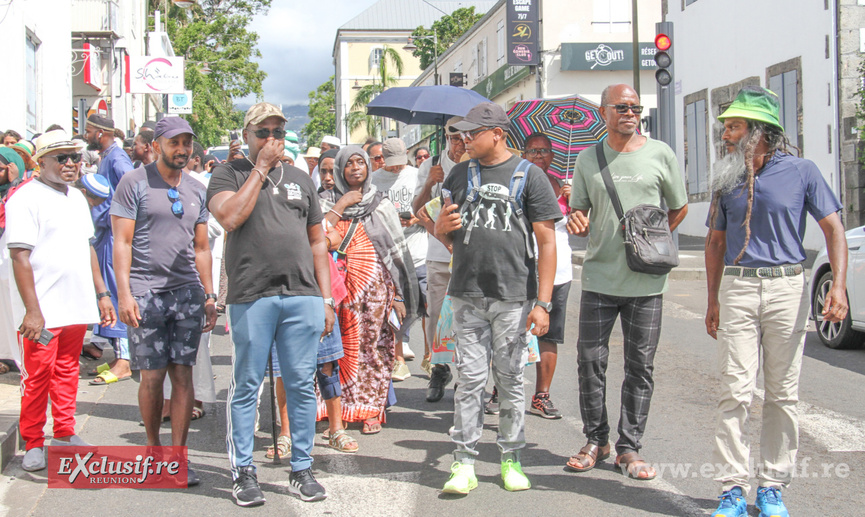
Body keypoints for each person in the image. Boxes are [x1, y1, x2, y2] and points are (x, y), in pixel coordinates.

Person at [704, 87, 848, 517]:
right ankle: (731, 487)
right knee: (735, 390)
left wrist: (837, 287)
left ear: (759, 132)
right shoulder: (725, 176)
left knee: (783, 394)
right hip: (739, 288)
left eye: (734, 127)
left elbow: (834, 230)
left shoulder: (802, 171)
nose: (725, 134)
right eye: (726, 126)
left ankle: (772, 487)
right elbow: (714, 242)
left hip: (787, 287)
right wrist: (712, 299)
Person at [207, 102, 334, 506]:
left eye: (278, 132)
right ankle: (243, 472)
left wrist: (326, 297)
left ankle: (302, 466)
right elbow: (229, 217)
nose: (272, 139)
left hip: (302, 295)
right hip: (253, 295)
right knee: (246, 384)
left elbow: (317, 240)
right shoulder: (227, 173)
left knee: (299, 383)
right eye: (263, 132)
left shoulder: (301, 178)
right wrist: (260, 167)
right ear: (246, 135)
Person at [434, 102, 561, 494]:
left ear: (498, 134)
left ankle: (510, 459)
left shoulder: (531, 176)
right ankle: (464, 463)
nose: (465, 140)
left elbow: (546, 242)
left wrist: (542, 304)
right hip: (467, 294)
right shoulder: (458, 174)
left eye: (473, 133)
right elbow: (448, 233)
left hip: (514, 297)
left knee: (509, 381)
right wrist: (439, 230)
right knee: (469, 381)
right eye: (462, 134)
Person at [564, 84, 688, 480]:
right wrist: (575, 219)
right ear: (604, 112)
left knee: (640, 367)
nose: (630, 113)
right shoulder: (588, 159)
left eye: (635, 107)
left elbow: (679, 206)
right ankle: (596, 439)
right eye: (621, 107)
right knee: (589, 362)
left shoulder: (660, 153)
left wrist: (649, 243)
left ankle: (629, 447)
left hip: (646, 284)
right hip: (600, 277)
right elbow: (579, 212)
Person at [111, 117, 217, 487]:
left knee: (183, 375)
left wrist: (210, 294)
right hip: (146, 292)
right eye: (174, 142)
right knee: (152, 377)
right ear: (157, 145)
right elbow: (120, 243)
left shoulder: (195, 188)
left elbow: (201, 247)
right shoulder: (133, 183)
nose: (182, 149)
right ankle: (153, 451)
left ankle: (178, 458)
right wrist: (125, 294)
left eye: (187, 142)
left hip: (187, 292)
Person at [7, 130, 116, 471]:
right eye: (62, 158)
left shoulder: (77, 198)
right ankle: (34, 442)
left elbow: (87, 248)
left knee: (68, 371)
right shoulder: (25, 198)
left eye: (75, 157)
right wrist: (33, 311)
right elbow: (19, 257)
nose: (71, 164)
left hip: (76, 304)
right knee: (37, 375)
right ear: (41, 163)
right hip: (44, 310)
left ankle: (65, 433)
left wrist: (101, 294)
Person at [319, 146, 417, 436]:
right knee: (338, 352)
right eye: (348, 164)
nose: (355, 168)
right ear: (339, 169)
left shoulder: (381, 203)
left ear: (369, 167)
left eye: (360, 162)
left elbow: (397, 252)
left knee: (374, 348)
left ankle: (372, 411)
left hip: (375, 292)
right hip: (336, 293)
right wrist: (343, 204)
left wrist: (399, 295)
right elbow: (314, 236)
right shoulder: (324, 202)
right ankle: (339, 413)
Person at [514, 132, 571, 420]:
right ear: (523, 155)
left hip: (558, 271)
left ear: (552, 156)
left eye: (544, 151)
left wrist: (578, 204)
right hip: (521, 268)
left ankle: (542, 395)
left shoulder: (567, 186)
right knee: (512, 332)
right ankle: (503, 390)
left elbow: (583, 226)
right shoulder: (515, 181)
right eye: (533, 151)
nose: (539, 156)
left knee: (548, 334)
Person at [413, 120, 465, 402]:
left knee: (468, 320)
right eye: (452, 138)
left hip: (469, 257)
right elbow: (417, 210)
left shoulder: (477, 161)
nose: (457, 144)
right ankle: (439, 368)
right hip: (437, 255)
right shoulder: (432, 164)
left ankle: (466, 377)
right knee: (435, 318)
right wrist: (432, 181)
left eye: (462, 137)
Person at [85, 113, 133, 386]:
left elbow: (131, 192)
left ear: (101, 133)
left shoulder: (117, 159)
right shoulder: (107, 156)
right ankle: (118, 356)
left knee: (117, 294)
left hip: (116, 237)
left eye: (89, 130)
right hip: (106, 237)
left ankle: (125, 361)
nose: (86, 134)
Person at [372, 138, 425, 381]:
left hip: (418, 250)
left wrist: (416, 219)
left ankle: (431, 357)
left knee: (427, 309)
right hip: (390, 255)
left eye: (400, 164)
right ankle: (399, 358)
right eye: (391, 164)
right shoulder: (374, 180)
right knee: (396, 308)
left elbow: (429, 206)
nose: (396, 169)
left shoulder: (417, 174)